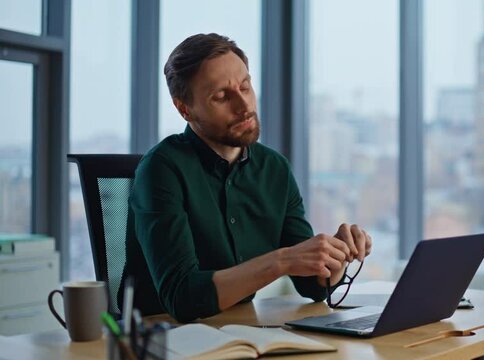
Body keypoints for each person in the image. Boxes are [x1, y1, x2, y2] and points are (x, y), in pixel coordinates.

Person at [118, 33, 372, 322]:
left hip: (239, 330)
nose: (244, 105)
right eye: (222, 96)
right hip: (159, 338)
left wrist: (334, 256)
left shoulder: (274, 169)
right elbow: (182, 298)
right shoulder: (161, 169)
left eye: (245, 86)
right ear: (184, 109)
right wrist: (282, 261)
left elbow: (312, 286)